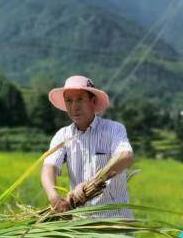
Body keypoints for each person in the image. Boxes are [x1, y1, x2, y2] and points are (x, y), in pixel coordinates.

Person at [41, 75, 134, 218]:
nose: (74, 106)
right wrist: (54, 198)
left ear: (93, 101)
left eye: (80, 99)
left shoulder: (113, 129)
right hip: (81, 226)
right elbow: (49, 167)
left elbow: (125, 156)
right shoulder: (63, 136)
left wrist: (89, 184)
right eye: (69, 101)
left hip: (115, 222)